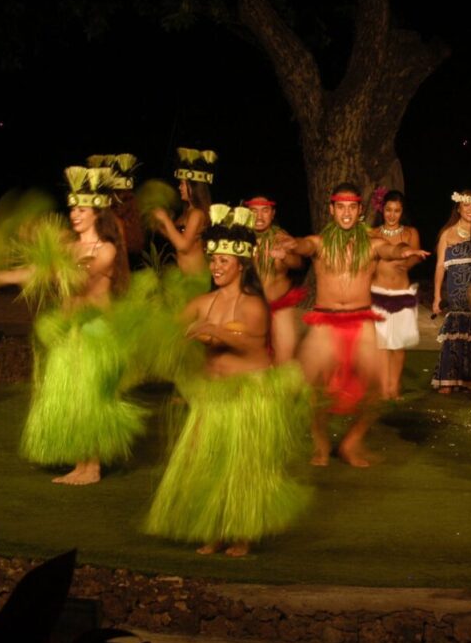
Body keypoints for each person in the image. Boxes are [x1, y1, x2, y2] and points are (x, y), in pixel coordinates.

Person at [145, 205, 309, 557]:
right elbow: (173, 326)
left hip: (248, 397)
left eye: (224, 261)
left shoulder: (253, 304)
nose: (216, 267)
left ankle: (242, 535)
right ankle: (216, 530)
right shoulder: (204, 302)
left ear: (241, 265)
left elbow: (250, 341)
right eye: (214, 260)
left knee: (241, 469)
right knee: (209, 466)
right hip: (213, 397)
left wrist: (215, 331)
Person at [0, 166, 141, 485]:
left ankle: (92, 467)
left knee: (90, 399)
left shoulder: (105, 249)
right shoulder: (69, 248)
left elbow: (80, 275)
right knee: (73, 398)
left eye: (81, 209)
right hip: (69, 332)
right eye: (72, 209)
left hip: (94, 332)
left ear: (97, 213)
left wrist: (54, 262)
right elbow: (37, 270)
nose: (74, 214)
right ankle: (81, 464)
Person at [276, 183, 428, 467]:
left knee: (378, 387)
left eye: (352, 207)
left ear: (360, 211)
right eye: (341, 207)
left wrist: (403, 252)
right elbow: (304, 244)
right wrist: (291, 244)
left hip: (361, 320)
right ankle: (320, 443)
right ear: (332, 210)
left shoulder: (370, 244)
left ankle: (351, 443)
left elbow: (389, 249)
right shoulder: (320, 244)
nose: (346, 213)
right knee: (312, 388)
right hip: (325, 320)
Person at [431, 190, 471, 392]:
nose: (470, 209)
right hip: (456, 297)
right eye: (466, 205)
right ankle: (449, 382)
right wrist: (436, 296)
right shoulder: (447, 234)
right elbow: (440, 266)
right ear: (458, 207)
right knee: (455, 336)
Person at [369, 189, 423, 399]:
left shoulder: (410, 233)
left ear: (402, 212)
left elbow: (416, 257)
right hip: (378, 292)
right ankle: (384, 388)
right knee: (382, 344)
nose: (392, 215)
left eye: (397, 211)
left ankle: (394, 386)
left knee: (398, 344)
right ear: (382, 210)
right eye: (388, 210)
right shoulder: (373, 233)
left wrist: (406, 263)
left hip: (402, 292)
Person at [246, 195, 308, 364]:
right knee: (253, 361)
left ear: (272, 214)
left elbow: (298, 264)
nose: (259, 216)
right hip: (250, 307)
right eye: (254, 211)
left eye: (265, 211)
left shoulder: (280, 237)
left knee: (284, 358)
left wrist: (284, 257)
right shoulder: (241, 239)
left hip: (280, 305)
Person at [150, 147, 214, 277]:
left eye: (183, 184)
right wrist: (160, 228)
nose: (179, 187)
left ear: (193, 187)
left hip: (195, 277)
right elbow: (178, 238)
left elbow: (183, 246)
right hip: (183, 275)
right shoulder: (188, 212)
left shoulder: (197, 214)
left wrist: (166, 220)